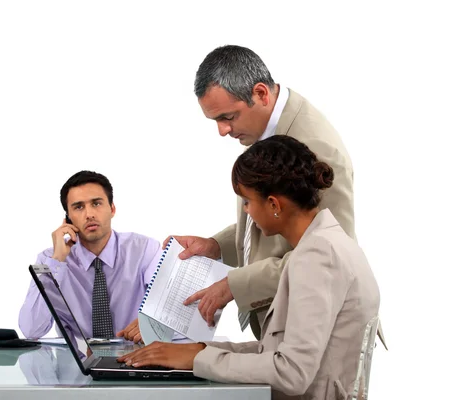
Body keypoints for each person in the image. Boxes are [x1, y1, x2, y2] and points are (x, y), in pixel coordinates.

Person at [118, 135, 380, 400]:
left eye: (247, 201)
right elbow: (275, 352)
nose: (246, 212)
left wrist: (198, 358)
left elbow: (292, 373)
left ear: (274, 205)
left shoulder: (317, 256)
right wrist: (198, 350)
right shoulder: (325, 242)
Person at [172, 44, 356, 339]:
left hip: (322, 335)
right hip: (289, 325)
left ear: (260, 93)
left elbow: (331, 256)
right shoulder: (266, 129)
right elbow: (276, 216)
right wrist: (216, 246)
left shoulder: (318, 149)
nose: (222, 131)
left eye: (228, 117)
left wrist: (236, 284)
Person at [19, 170, 160, 344]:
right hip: (78, 366)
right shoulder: (49, 260)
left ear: (112, 209)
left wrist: (152, 321)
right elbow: (31, 330)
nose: (89, 214)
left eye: (96, 203)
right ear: (68, 219)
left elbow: (168, 306)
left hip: (134, 360)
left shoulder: (145, 250)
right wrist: (57, 262)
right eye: (78, 207)